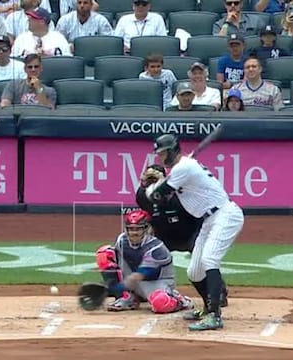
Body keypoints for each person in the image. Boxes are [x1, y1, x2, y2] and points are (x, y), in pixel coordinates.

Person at [143, 135, 245, 331]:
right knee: (195, 272)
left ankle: (215, 315)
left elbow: (157, 195)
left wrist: (152, 187)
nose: (160, 157)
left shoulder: (184, 167)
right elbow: (163, 195)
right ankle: (208, 309)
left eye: (163, 153)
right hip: (209, 220)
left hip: (225, 215)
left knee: (209, 261)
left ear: (172, 150)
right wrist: (160, 184)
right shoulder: (183, 168)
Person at [135, 165, 229, 312]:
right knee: (146, 255)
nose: (153, 183)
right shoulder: (142, 196)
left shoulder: (180, 192)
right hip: (163, 235)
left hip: (190, 233)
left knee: (204, 261)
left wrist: (164, 187)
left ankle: (217, 293)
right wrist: (145, 185)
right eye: (150, 180)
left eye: (156, 180)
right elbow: (145, 197)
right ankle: (142, 290)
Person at [94, 209, 194, 314]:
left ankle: (179, 301)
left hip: (156, 283)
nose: (134, 233)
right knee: (104, 254)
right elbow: (117, 263)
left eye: (138, 229)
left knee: (161, 303)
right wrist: (112, 283)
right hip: (132, 282)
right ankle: (127, 298)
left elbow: (143, 273)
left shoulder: (156, 247)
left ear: (147, 229)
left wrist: (114, 288)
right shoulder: (122, 241)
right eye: (131, 229)